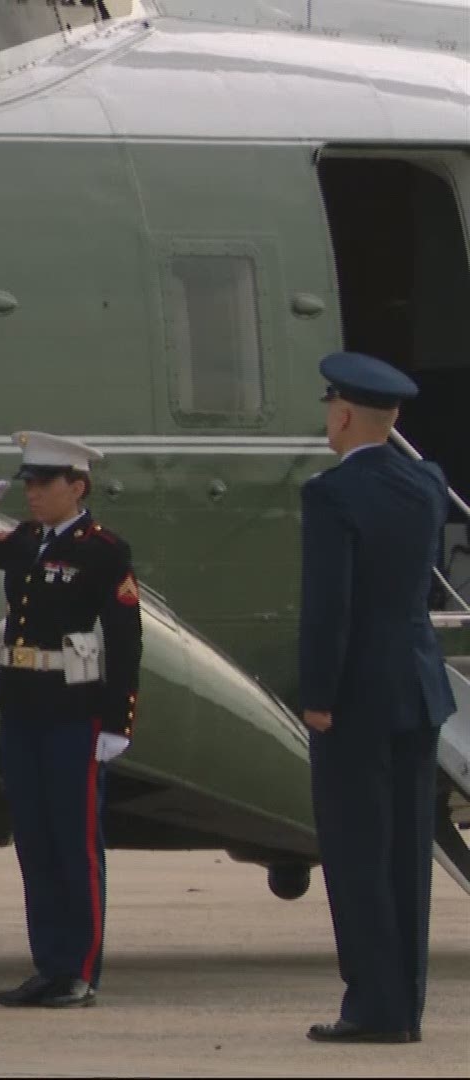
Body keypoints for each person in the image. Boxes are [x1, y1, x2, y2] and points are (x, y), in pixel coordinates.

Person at [0, 431, 142, 1009]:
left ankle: (78, 970)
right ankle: (48, 965)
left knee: (73, 844)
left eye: (43, 483)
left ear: (76, 487)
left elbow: (126, 641)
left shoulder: (102, 550)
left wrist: (117, 722)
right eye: (27, 482)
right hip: (24, 706)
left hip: (74, 712)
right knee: (33, 840)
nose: (32, 493)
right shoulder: (27, 541)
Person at [297, 351, 452, 1045]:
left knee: (358, 854)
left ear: (346, 414)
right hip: (418, 689)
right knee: (407, 855)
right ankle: (405, 1005)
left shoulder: (331, 495)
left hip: (356, 697)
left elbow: (331, 606)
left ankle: (372, 1007)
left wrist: (319, 693)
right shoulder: (427, 483)